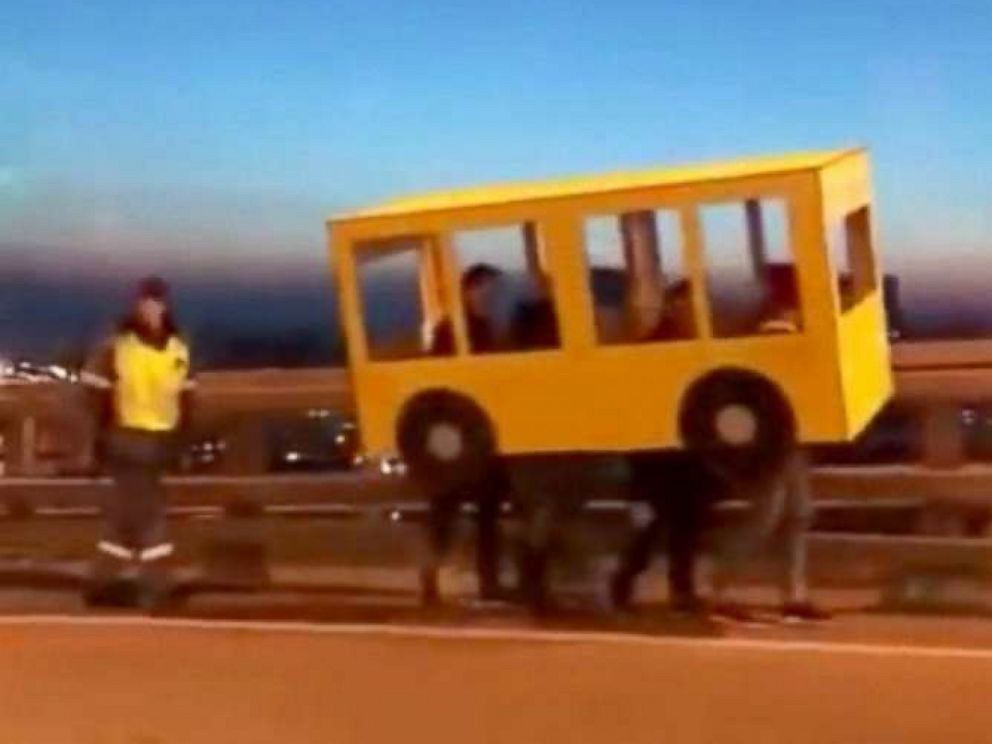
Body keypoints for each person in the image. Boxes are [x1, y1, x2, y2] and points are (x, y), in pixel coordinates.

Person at [82, 276, 195, 608]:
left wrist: (182, 440)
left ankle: (101, 580)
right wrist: (99, 437)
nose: (151, 308)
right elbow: (93, 392)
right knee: (150, 514)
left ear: (164, 305)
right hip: (127, 438)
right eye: (146, 302)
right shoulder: (118, 346)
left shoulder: (178, 349)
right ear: (137, 305)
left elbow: (186, 397)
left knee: (126, 515)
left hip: (161, 441)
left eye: (156, 302)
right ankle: (157, 585)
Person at [419, 263, 509, 605]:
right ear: (469, 290)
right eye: (486, 289)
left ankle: (488, 581)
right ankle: (434, 578)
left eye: (494, 290)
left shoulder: (486, 328)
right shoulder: (451, 330)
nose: (491, 296)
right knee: (448, 510)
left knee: (487, 512)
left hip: (480, 434)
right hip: (456, 435)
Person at [707, 448, 831, 623]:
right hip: (769, 451)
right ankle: (723, 591)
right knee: (763, 521)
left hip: (792, 449)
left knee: (796, 516)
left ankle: (794, 596)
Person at [610, 450, 719, 615]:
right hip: (656, 489)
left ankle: (681, 595)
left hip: (680, 490)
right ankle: (622, 590)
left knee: (679, 547)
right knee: (646, 544)